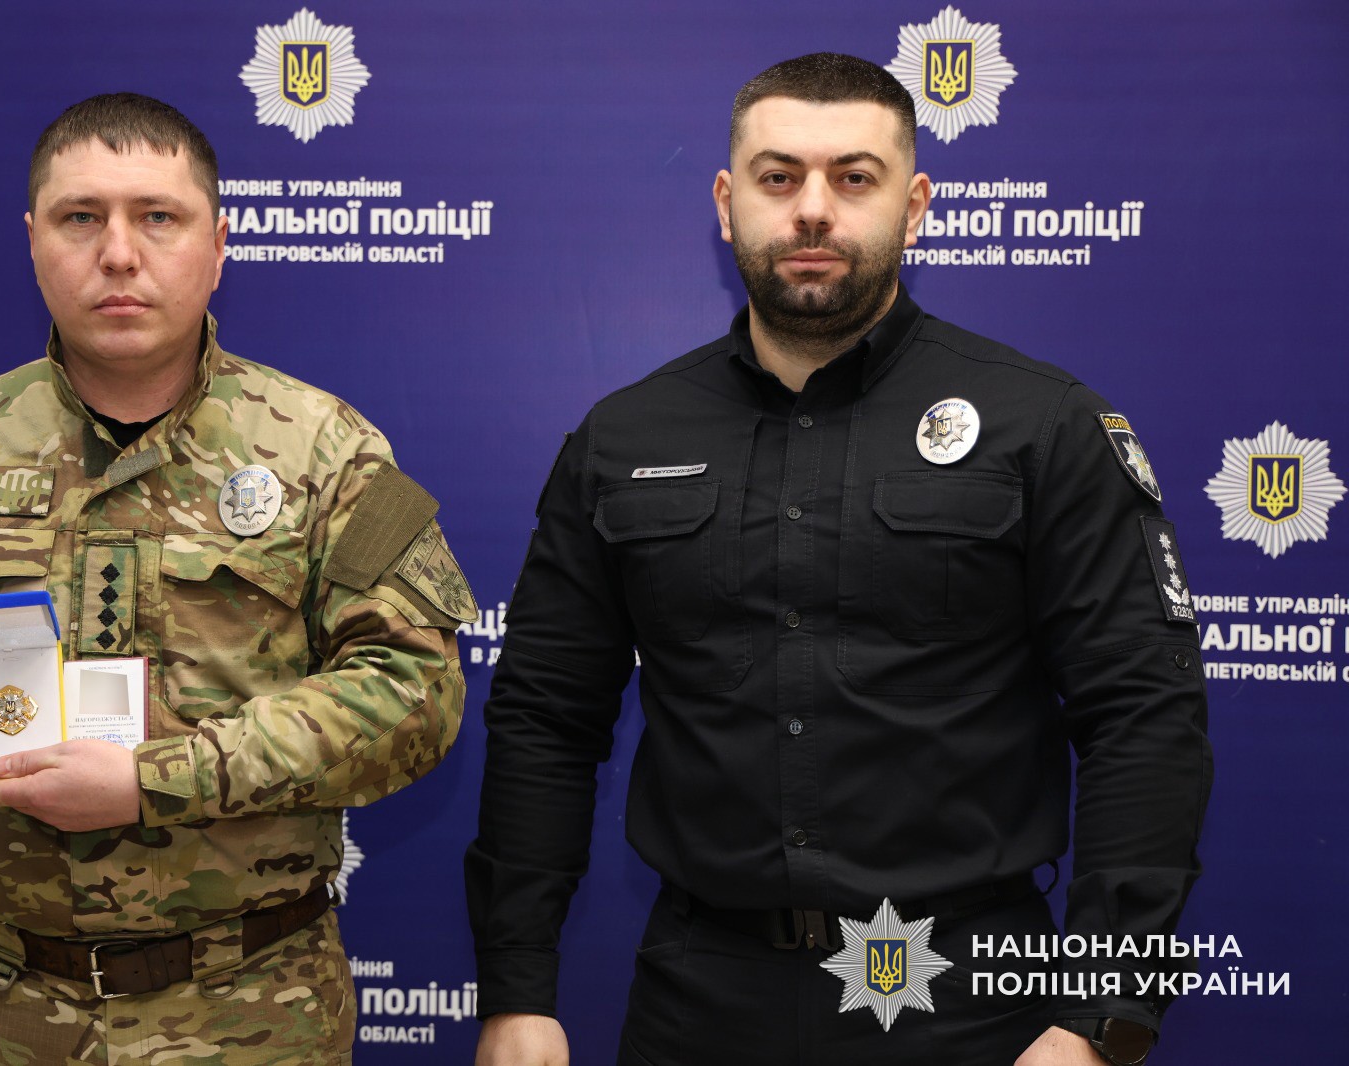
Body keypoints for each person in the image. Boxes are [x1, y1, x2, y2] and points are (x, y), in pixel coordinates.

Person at [466, 53, 1210, 1066]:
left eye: (854, 178)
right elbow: (545, 717)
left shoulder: (1042, 426)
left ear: (915, 207)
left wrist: (1099, 1018)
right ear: (725, 203)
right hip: (701, 996)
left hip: (972, 998)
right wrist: (516, 987)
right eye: (778, 177)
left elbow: (1143, 717)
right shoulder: (623, 438)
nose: (812, 209)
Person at [0, 92, 474, 1065]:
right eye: (81, 217)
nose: (119, 253)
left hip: (253, 1012)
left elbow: (416, 693)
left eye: (158, 216)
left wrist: (153, 781)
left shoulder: (326, 452)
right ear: (33, 242)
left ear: (219, 245)